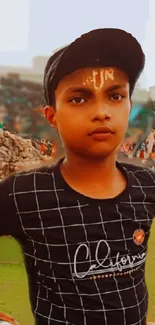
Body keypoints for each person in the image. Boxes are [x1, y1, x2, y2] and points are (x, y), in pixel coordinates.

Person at [0, 28, 153, 325]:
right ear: (52, 115)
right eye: (80, 99)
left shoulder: (147, 185)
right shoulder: (25, 193)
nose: (102, 112)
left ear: (129, 106)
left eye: (115, 95)